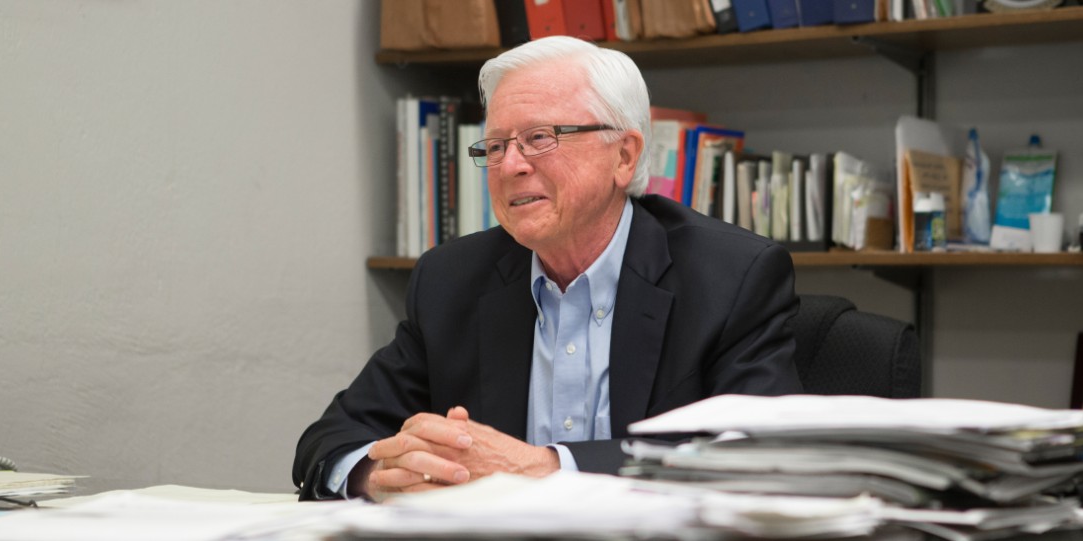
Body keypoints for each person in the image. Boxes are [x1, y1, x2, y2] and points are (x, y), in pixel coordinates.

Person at [293, 35, 801, 501]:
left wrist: (547, 468)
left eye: (540, 138)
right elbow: (331, 438)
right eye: (496, 146)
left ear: (624, 156)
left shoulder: (731, 276)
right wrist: (381, 472)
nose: (511, 166)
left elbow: (759, 455)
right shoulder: (451, 280)